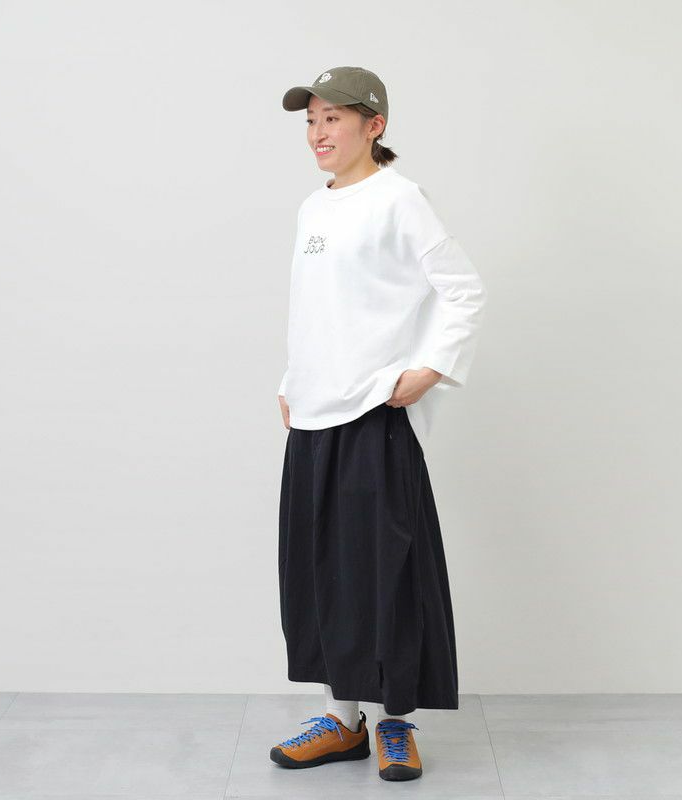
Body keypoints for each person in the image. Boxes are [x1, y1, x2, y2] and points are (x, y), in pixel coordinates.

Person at [270, 66, 487, 782]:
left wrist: (431, 367)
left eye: (333, 118)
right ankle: (343, 721)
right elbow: (316, 308)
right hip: (313, 414)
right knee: (321, 573)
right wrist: (291, 381)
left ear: (374, 125)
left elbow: (463, 290)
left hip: (371, 412)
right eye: (311, 120)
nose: (318, 132)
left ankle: (396, 722)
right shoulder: (313, 209)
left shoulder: (400, 199)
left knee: (386, 572)